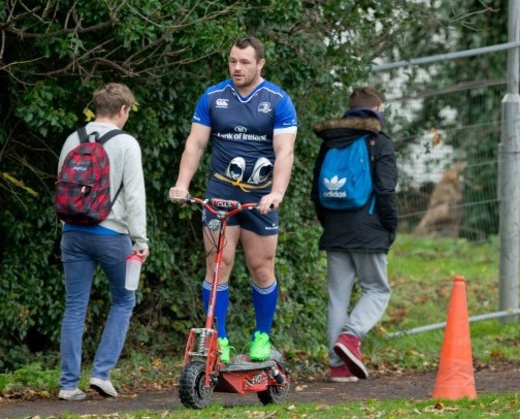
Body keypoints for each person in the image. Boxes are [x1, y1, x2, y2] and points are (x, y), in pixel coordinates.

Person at [168, 36, 298, 364]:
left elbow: (285, 151)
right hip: (219, 196)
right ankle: (218, 338)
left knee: (261, 267)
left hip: (259, 200)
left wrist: (276, 193)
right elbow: (195, 144)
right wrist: (182, 185)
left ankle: (262, 335)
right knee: (217, 267)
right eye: (232, 61)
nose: (237, 68)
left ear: (260, 64)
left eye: (244, 62)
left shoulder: (277, 100)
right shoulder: (213, 97)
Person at [57, 82, 149, 401]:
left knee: (74, 306)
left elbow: (63, 188)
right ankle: (101, 373)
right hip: (111, 235)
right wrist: (140, 240)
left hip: (72, 233)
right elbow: (135, 196)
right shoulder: (126, 144)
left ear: (96, 108)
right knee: (123, 300)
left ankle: (68, 386)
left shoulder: (73, 139)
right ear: (123, 110)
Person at [311, 86, 398, 383]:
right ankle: (351, 337)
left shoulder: (330, 142)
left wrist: (330, 224)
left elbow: (315, 192)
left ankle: (338, 367)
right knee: (376, 289)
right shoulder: (379, 142)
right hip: (369, 228)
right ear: (378, 108)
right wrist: (389, 226)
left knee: (338, 297)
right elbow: (385, 190)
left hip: (335, 229)